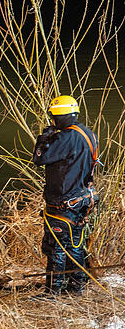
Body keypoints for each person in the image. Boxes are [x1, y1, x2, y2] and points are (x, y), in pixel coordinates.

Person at [32, 95, 99, 295]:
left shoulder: (65, 137)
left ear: (59, 116)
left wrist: (44, 139)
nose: (52, 121)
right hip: (81, 199)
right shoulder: (89, 134)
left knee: (56, 248)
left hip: (62, 202)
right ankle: (76, 287)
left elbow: (39, 159)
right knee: (74, 246)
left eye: (53, 117)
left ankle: (52, 292)